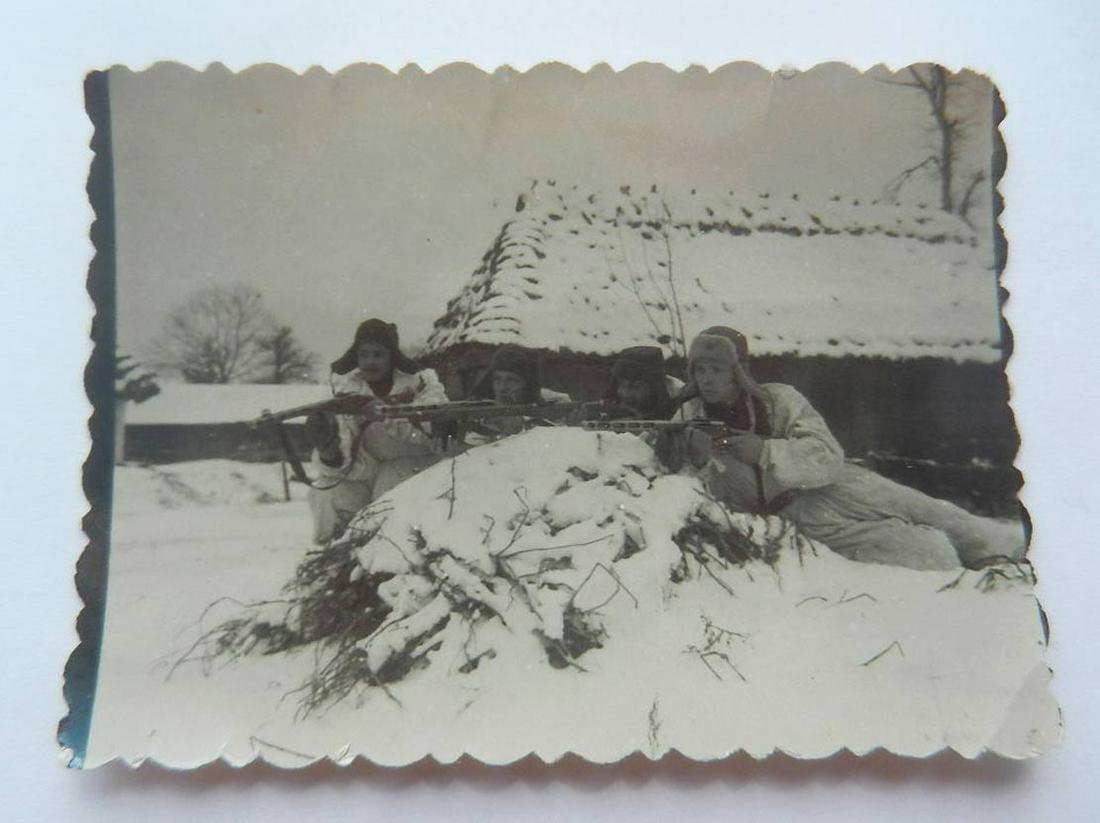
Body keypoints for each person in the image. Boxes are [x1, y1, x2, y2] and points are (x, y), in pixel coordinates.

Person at [664, 326, 1027, 571]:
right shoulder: (687, 417)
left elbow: (827, 455)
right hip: (798, 516)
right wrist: (697, 457)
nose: (708, 379)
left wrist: (765, 452)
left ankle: (999, 549)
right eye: (701, 371)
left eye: (717, 369)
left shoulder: (779, 401)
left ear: (738, 371)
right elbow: (691, 490)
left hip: (837, 486)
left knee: (927, 509)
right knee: (930, 554)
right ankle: (962, 571)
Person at [305, 319, 449, 543]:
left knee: (386, 493)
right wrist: (330, 452)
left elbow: (436, 432)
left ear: (392, 357)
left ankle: (386, 552)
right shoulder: (343, 391)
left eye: (378, 354)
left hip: (414, 467)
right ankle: (335, 554)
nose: (370, 362)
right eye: (364, 354)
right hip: (368, 472)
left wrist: (388, 415)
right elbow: (351, 458)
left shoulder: (421, 384)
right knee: (325, 491)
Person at [470, 344, 571, 438]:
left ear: (528, 384)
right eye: (497, 379)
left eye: (511, 380)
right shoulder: (480, 411)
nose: (502, 387)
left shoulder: (548, 402)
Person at [605, 346, 684, 420]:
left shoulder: (685, 409)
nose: (625, 393)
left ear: (656, 387)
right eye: (621, 385)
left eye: (634, 387)